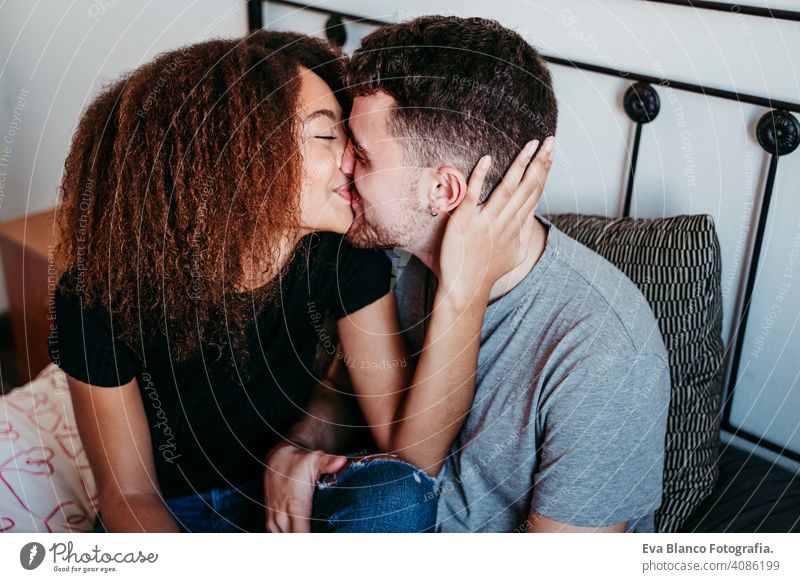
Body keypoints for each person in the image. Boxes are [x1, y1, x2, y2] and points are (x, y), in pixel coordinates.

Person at [47, 30, 552, 533]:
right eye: (327, 133)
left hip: (304, 491)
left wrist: (464, 289)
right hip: (180, 511)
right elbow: (129, 493)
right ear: (240, 158)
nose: (350, 159)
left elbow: (411, 456)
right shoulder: (100, 292)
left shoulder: (339, 251)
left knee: (395, 498)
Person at [271, 15, 671, 533]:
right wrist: (300, 444)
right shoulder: (403, 258)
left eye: (363, 154)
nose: (343, 164)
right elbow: (356, 382)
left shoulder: (601, 354)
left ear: (443, 191)